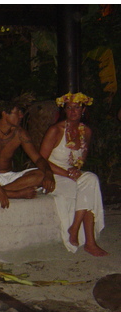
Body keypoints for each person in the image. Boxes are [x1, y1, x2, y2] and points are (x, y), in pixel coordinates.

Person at [39, 92, 107, 257]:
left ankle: (75, 228)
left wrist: (76, 169)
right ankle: (89, 242)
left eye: (77, 107)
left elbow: (80, 159)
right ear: (65, 110)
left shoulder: (86, 132)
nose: (73, 111)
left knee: (91, 179)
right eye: (69, 108)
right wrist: (67, 174)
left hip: (72, 175)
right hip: (53, 174)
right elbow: (41, 160)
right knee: (87, 189)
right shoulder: (56, 130)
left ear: (83, 109)